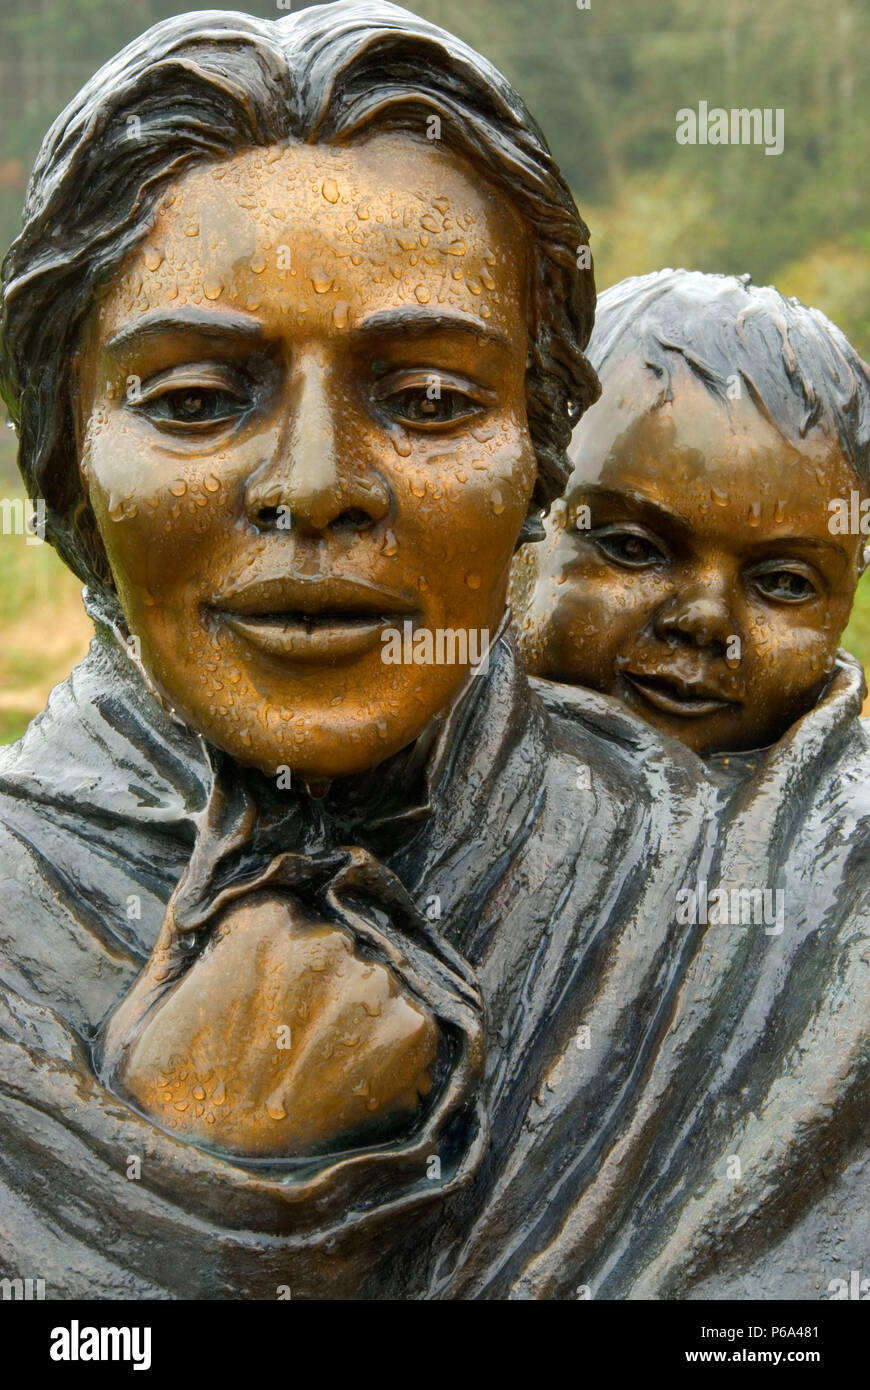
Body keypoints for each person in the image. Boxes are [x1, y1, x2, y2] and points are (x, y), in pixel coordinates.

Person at [0, 9, 866, 1301]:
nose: (314, 485)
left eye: (428, 400)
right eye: (194, 398)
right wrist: (179, 1204)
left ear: (539, 451)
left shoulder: (804, 901)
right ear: (68, 466)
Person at [513, 268, 870, 755]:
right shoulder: (387, 763)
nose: (704, 621)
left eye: (785, 582)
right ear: (517, 518)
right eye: (633, 548)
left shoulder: (849, 821)